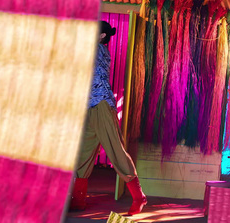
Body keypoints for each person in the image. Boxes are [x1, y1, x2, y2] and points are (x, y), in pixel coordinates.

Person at [69, 21, 147, 216]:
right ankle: (78, 200)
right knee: (83, 154)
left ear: (102, 36)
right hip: (89, 106)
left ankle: (139, 197)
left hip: (102, 104)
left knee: (115, 150)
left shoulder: (100, 50)